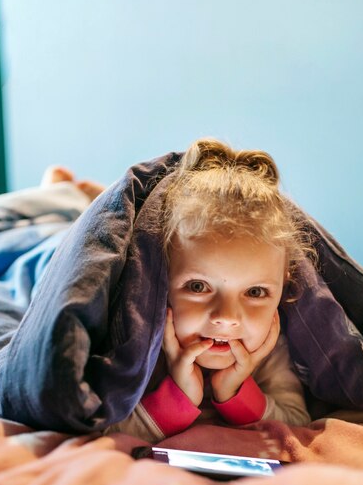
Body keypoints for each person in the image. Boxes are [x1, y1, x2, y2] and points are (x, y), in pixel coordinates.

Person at [90, 138, 313, 442]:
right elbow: (99, 426)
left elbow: (297, 422)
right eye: (198, 286)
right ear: (160, 282)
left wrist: (234, 390)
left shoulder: (270, 349)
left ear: (282, 287)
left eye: (256, 292)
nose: (226, 318)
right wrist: (179, 394)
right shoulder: (140, 343)